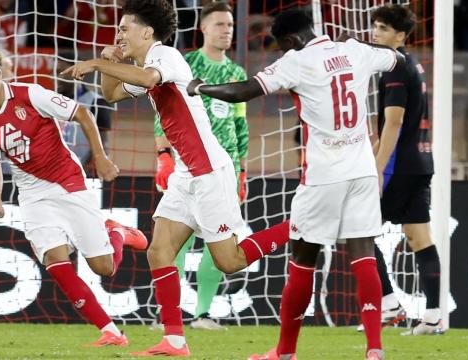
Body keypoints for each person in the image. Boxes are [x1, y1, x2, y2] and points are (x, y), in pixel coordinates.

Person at [61, 0, 290, 356]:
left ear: (147, 32)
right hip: (186, 174)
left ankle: (300, 225)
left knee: (229, 261)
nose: (119, 33)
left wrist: (96, 63)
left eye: (125, 28)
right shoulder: (147, 62)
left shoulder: (164, 55)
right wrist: (112, 65)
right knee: (160, 251)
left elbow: (148, 79)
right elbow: (112, 94)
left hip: (209, 171)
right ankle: (174, 340)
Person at [186, 9, 404, 360]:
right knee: (363, 254)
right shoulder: (354, 49)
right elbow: (396, 59)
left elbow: (244, 90)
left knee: (303, 258)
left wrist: (201, 87)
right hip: (363, 169)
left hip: (323, 176)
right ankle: (375, 350)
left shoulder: (297, 60)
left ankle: (285, 352)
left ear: (288, 40)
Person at [0, 41, 147, 348]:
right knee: (55, 261)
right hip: (32, 191)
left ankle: (117, 232)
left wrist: (100, 157)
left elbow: (83, 113)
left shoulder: (31, 94)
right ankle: (110, 331)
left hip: (67, 179)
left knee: (104, 268)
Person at [153, 1, 248, 331]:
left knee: (218, 242)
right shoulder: (186, 63)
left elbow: (240, 126)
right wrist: (162, 156)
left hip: (227, 167)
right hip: (185, 165)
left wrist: (243, 170)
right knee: (177, 239)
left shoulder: (237, 74)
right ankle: (170, 313)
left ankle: (203, 313)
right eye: (220, 24)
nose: (227, 30)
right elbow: (160, 115)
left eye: (231, 25)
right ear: (204, 28)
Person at [370, 4, 442, 336]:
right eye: (374, 27)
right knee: (419, 239)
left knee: (358, 230)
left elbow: (394, 121)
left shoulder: (395, 66)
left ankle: (388, 306)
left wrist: (378, 167)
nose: (375, 34)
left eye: (383, 28)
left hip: (398, 167)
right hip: (421, 162)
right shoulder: (413, 63)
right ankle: (432, 317)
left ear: (400, 35)